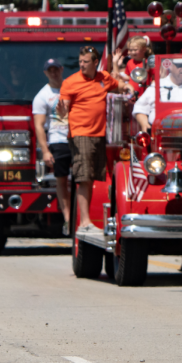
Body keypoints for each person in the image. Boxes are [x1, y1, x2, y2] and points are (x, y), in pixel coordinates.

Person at [57, 46, 126, 232]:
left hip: (100, 134)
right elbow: (64, 108)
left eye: (85, 62)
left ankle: (94, 218)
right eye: (80, 62)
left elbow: (119, 86)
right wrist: (62, 110)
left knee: (96, 178)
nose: (81, 65)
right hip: (81, 134)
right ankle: (84, 221)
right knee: (84, 177)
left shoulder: (103, 78)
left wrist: (125, 82)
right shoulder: (71, 82)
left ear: (96, 63)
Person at [32, 59, 72, 234]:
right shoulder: (42, 96)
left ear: (62, 70)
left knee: (82, 178)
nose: (54, 73)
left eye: (56, 69)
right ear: (45, 73)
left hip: (77, 138)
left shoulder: (71, 88)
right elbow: (39, 125)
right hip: (57, 141)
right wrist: (46, 151)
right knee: (61, 179)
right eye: (50, 71)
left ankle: (82, 214)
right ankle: (68, 218)